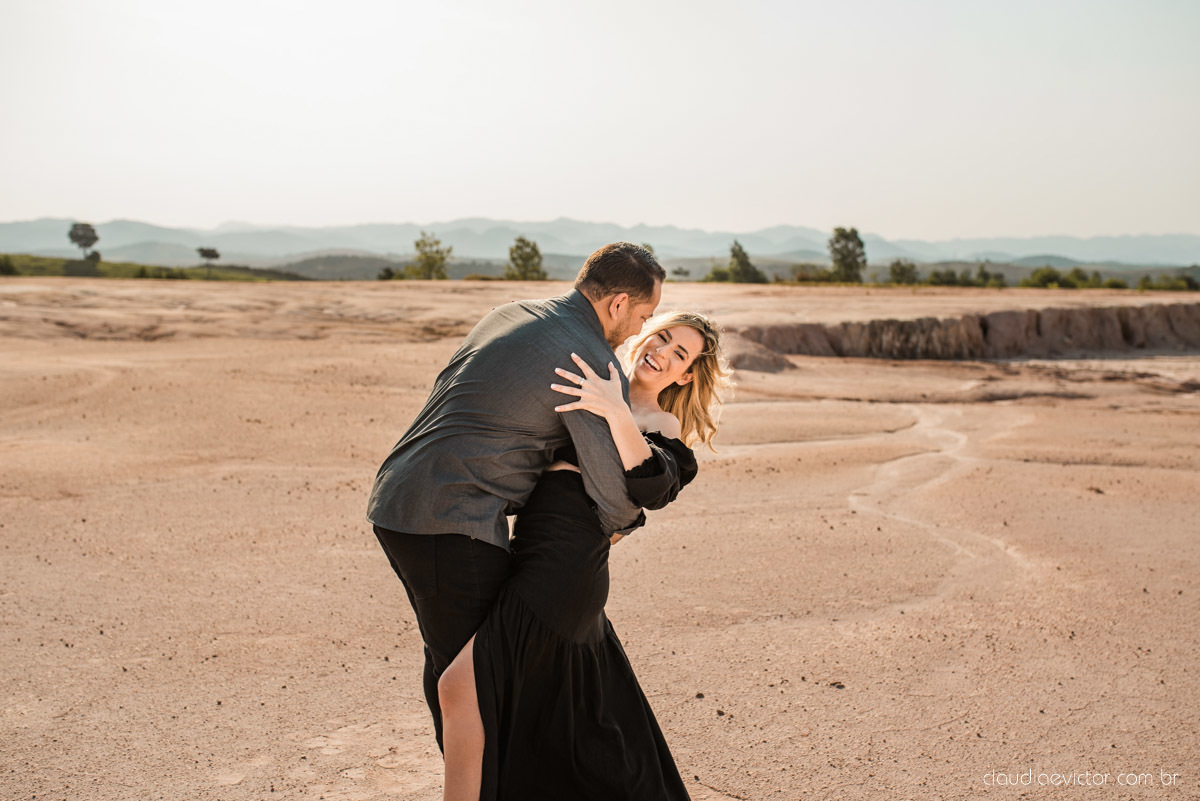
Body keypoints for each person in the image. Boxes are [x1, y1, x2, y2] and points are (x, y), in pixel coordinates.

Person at [367, 242, 665, 753]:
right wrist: (627, 518)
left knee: (452, 662)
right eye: (643, 315)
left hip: (398, 498)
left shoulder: (511, 313)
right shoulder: (589, 360)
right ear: (618, 303)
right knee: (479, 677)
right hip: (451, 518)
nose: (640, 329)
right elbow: (613, 497)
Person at [436, 310, 733, 801]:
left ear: (686, 376)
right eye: (661, 337)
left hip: (566, 570)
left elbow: (654, 488)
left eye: (679, 354)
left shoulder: (661, 423)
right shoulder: (600, 377)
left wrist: (616, 411)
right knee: (567, 722)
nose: (661, 352)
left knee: (458, 687)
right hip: (530, 551)